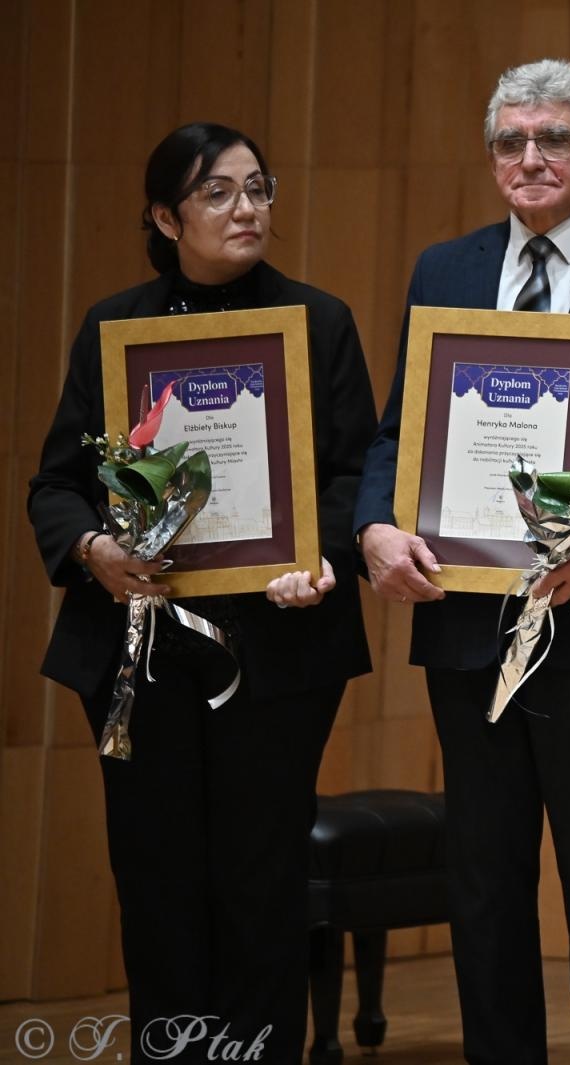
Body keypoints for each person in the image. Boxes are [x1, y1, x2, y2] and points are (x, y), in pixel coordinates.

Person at [352, 59, 570, 1065]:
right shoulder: (442, 271)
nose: (530, 158)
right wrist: (376, 528)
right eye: (511, 141)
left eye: (552, 140)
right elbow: (393, 435)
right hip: (467, 623)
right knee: (484, 880)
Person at [27, 122, 376, 1063]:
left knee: (261, 884)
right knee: (157, 881)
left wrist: (326, 556)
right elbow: (55, 484)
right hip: (140, 652)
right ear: (163, 215)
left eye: (258, 188)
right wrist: (94, 547)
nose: (247, 208)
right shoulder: (115, 327)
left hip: (278, 648)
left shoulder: (320, 321)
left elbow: (352, 477)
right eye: (218, 192)